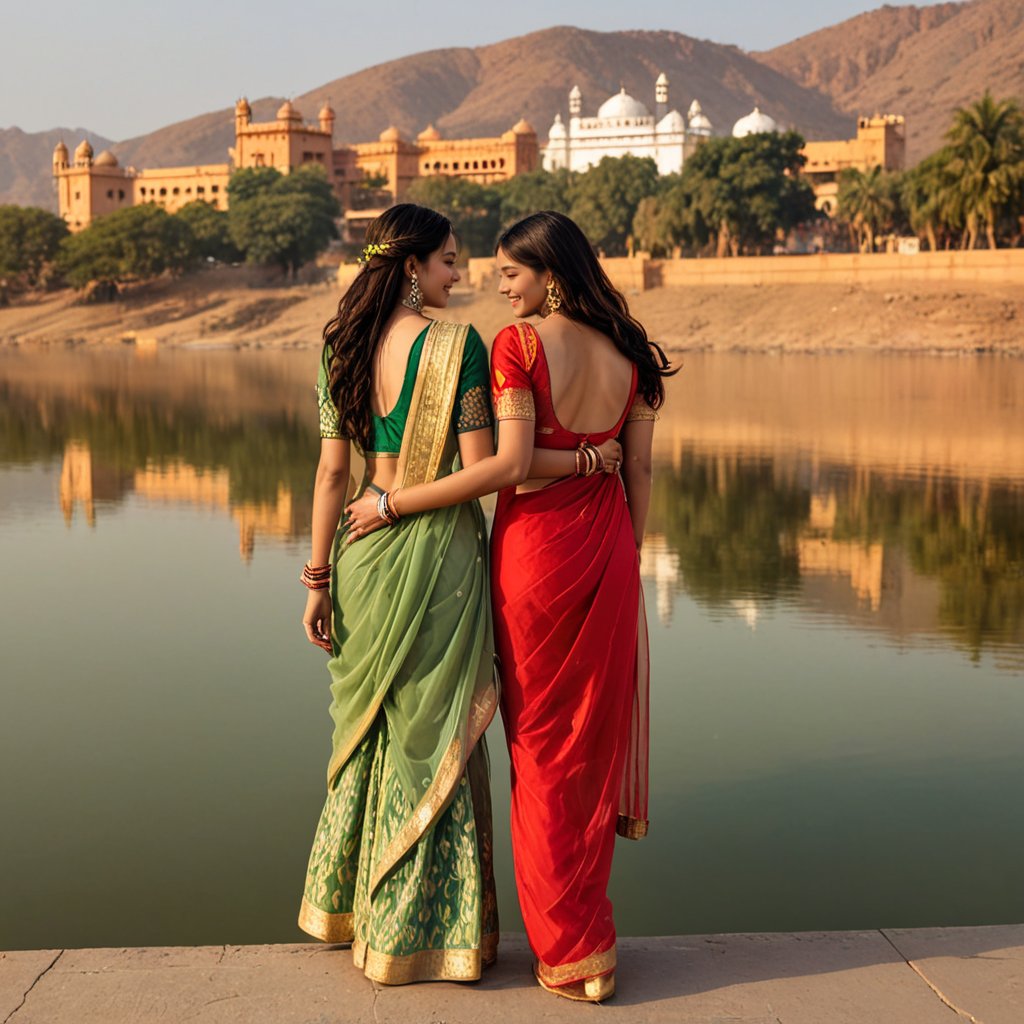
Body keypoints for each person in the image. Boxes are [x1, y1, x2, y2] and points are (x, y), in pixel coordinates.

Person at [345, 210, 672, 1002]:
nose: (496, 284)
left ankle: (567, 951)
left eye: (510, 273)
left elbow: (516, 469)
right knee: (589, 746)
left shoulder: (518, 347)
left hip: (539, 558)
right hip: (610, 553)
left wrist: (392, 504)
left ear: (549, 275)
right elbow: (642, 477)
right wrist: (620, 530)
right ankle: (589, 942)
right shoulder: (631, 355)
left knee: (540, 749)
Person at [297, 204, 501, 985]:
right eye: (450, 259)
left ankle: (350, 913)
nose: (460, 273)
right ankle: (427, 934)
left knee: (377, 733)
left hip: (360, 558)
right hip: (439, 551)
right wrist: (400, 502)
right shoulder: (458, 346)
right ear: (413, 265)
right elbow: (480, 469)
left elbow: (329, 476)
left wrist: (316, 577)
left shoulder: (339, 346)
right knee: (437, 731)